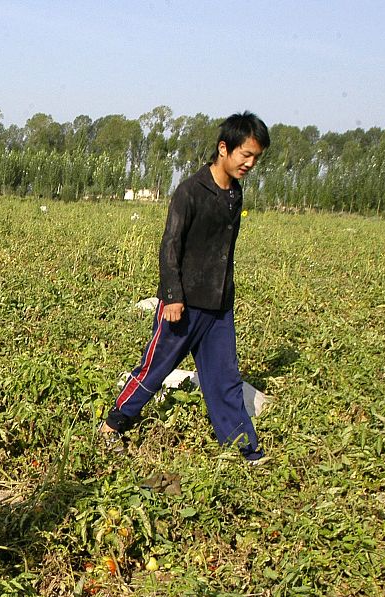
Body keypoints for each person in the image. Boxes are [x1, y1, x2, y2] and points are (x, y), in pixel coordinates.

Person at [100, 112, 269, 463]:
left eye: (255, 158)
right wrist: (173, 297)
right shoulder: (190, 191)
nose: (250, 163)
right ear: (224, 148)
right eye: (246, 155)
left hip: (218, 306)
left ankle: (245, 449)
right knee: (154, 370)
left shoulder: (234, 194)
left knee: (225, 379)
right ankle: (112, 426)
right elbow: (170, 245)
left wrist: (225, 298)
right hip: (184, 305)